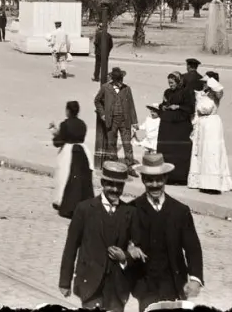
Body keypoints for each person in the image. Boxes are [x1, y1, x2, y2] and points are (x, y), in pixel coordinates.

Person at [127, 153, 204, 312]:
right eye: (149, 179)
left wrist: (195, 279)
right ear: (142, 179)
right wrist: (129, 247)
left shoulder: (180, 211)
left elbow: (192, 248)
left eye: (159, 179)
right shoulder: (131, 209)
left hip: (174, 282)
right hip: (146, 283)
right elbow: (119, 240)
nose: (154, 184)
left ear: (166, 178)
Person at [58, 161, 136, 312]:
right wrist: (64, 281)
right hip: (90, 283)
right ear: (102, 182)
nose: (115, 189)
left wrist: (125, 257)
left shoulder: (130, 212)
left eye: (119, 185)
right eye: (110, 184)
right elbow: (71, 246)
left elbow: (137, 248)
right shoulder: (85, 209)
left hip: (117, 286)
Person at [187, 72, 232, 193]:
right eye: (203, 82)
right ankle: (200, 182)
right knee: (201, 152)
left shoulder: (216, 94)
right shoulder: (201, 94)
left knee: (211, 151)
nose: (203, 84)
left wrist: (210, 81)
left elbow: (219, 88)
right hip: (202, 125)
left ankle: (212, 184)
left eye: (205, 82)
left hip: (212, 124)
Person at [50, 100, 94, 219]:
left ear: (68, 111)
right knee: (81, 180)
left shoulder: (65, 124)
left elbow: (59, 142)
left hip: (68, 152)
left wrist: (55, 133)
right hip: (82, 151)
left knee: (65, 177)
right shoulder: (82, 124)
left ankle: (66, 204)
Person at [94, 67, 139, 176]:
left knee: (127, 144)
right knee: (112, 143)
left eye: (121, 80)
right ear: (113, 80)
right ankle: (114, 166)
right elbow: (97, 101)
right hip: (111, 120)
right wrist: (103, 114)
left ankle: (129, 166)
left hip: (125, 120)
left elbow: (131, 105)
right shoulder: (105, 88)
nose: (121, 82)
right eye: (119, 80)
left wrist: (134, 121)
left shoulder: (127, 89)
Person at [155, 71, 194, 185]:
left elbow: (190, 108)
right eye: (169, 83)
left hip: (180, 127)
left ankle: (179, 178)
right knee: (166, 150)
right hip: (167, 126)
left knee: (178, 152)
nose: (170, 85)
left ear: (178, 81)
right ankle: (167, 176)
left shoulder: (186, 92)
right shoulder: (167, 92)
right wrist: (164, 107)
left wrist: (177, 106)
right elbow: (163, 104)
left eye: (172, 83)